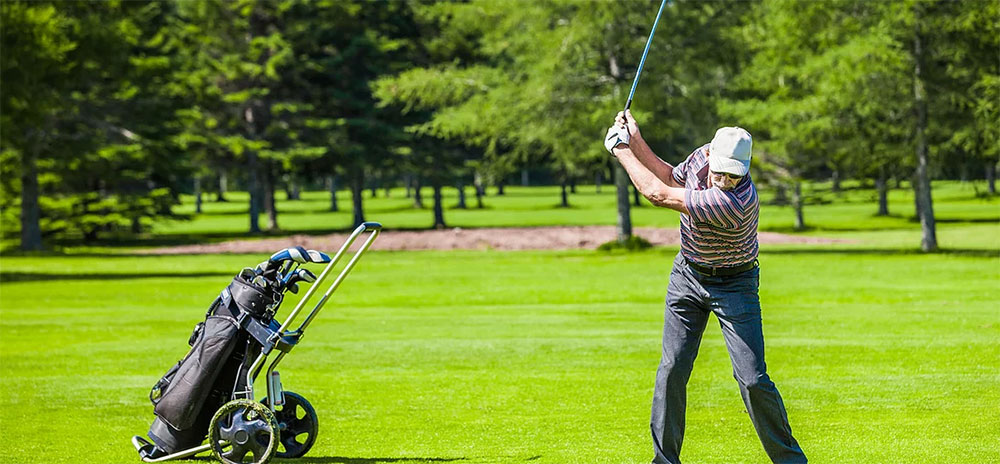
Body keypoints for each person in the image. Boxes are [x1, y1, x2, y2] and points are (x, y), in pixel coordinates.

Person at [604, 110, 807, 464]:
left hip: (735, 284)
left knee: (752, 379)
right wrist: (634, 138)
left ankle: (790, 461)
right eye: (721, 171)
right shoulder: (701, 158)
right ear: (710, 153)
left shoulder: (735, 202)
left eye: (734, 174)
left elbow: (658, 194)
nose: (725, 179)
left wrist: (621, 150)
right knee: (672, 369)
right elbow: (669, 175)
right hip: (687, 276)